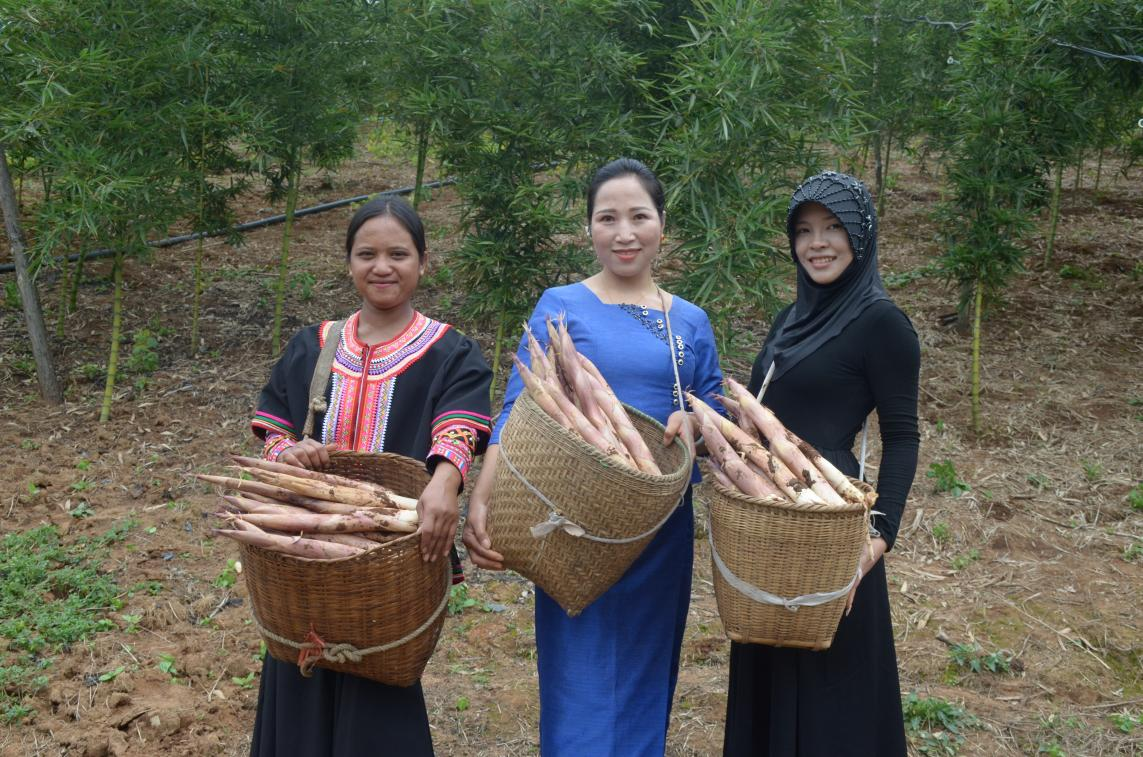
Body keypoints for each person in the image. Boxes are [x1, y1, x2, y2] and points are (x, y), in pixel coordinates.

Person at [463, 158, 723, 756]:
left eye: (639, 216)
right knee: (578, 673)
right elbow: (517, 406)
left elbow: (714, 407)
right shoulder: (562, 305)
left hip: (658, 525)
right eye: (608, 218)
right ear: (589, 229)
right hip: (577, 523)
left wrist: (702, 423)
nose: (624, 232)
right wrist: (483, 494)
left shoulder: (689, 321)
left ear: (663, 224)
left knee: (645, 671)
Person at [247, 195, 493, 756]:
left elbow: (458, 429)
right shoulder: (313, 344)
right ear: (349, 262)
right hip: (303, 546)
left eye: (398, 254)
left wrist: (444, 483)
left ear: (423, 262)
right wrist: (288, 453)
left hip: (393, 555)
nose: (382, 267)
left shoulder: (451, 353)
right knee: (297, 666)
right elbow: (275, 426)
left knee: (379, 680)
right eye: (367, 254)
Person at [722, 171, 920, 756]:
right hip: (769, 514)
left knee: (833, 683)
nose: (818, 242)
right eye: (804, 230)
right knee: (769, 658)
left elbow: (903, 438)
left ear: (861, 233)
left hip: (830, 513)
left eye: (834, 226)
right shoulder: (789, 319)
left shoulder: (882, 323)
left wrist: (879, 538)